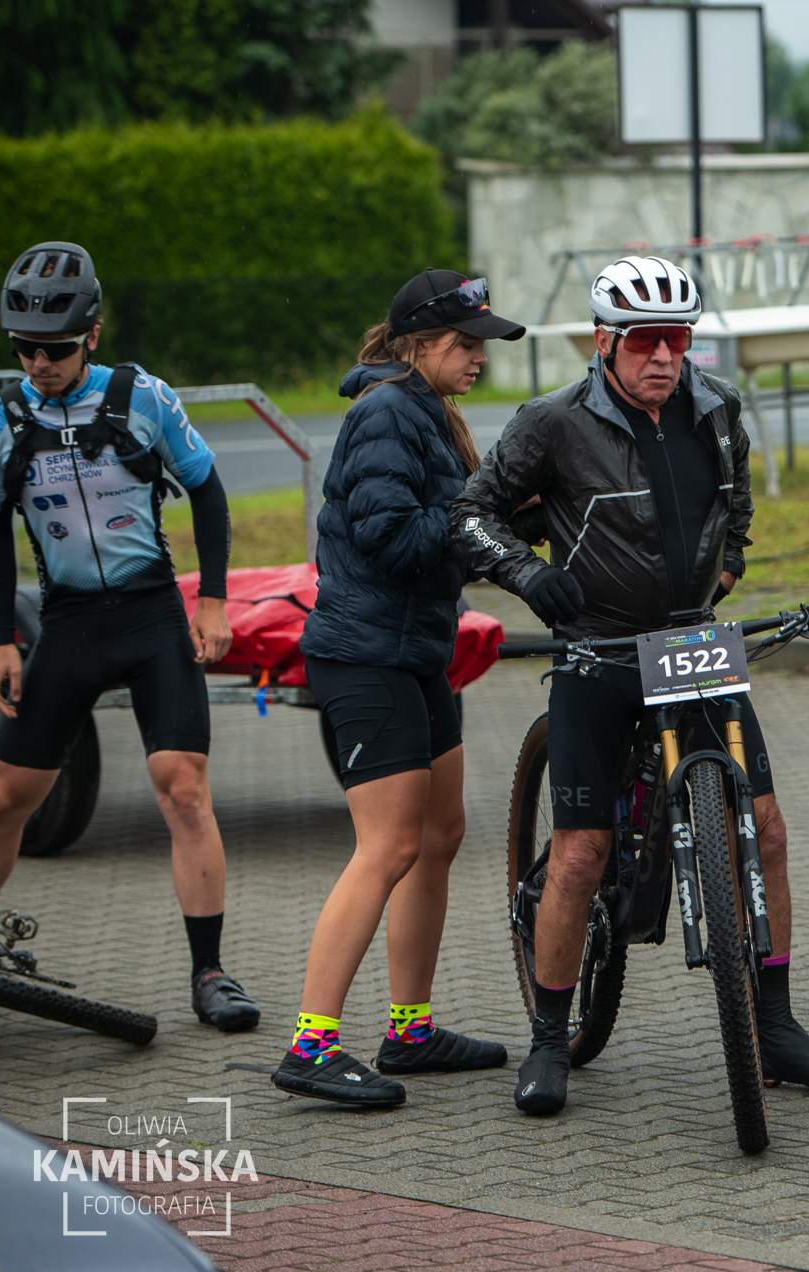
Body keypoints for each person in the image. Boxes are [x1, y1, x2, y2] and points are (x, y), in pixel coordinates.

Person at [452, 254, 809, 1117]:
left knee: (767, 831)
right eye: (645, 341)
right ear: (604, 342)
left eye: (677, 338)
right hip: (598, 648)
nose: (665, 356)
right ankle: (549, 1040)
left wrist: (728, 567)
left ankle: (775, 1024)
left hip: (693, 644)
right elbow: (470, 515)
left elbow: (736, 508)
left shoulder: (717, 408)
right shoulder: (552, 422)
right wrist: (529, 576)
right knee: (580, 853)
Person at [271, 271, 525, 1106]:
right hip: (365, 658)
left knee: (440, 833)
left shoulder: (428, 409)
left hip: (417, 653)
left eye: (482, 342)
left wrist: (507, 521)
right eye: (465, 342)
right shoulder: (385, 412)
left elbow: (447, 529)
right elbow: (390, 537)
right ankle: (311, 1046)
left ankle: (410, 1031)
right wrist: (478, 525)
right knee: (385, 848)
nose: (479, 356)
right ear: (418, 344)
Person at [0, 241, 257, 1032]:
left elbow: (208, 491)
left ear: (93, 335)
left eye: (56, 348)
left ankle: (210, 971)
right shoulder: (5, 419)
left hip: (149, 616)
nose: (40, 364)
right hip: (69, 625)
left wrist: (214, 602)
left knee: (183, 786)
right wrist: (1, 637)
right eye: (24, 348)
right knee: (5, 795)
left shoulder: (145, 398)